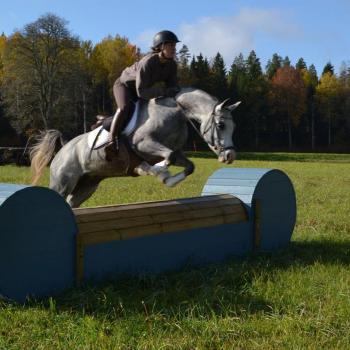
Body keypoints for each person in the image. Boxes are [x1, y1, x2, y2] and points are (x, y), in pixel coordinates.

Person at [107, 30, 181, 151]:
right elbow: (142, 92)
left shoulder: (172, 65)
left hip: (142, 89)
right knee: (124, 108)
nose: (174, 49)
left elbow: (172, 87)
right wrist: (163, 92)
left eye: (175, 46)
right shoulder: (148, 62)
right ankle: (111, 139)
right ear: (161, 47)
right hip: (124, 86)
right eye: (171, 45)